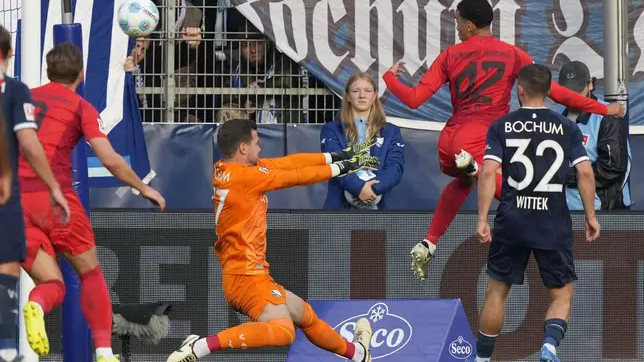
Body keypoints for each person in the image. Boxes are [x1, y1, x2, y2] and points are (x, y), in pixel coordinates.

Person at [382, 0, 624, 281]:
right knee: (512, 191)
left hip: (449, 141)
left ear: (470, 25)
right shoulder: (512, 54)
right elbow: (557, 92)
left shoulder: (449, 56)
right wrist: (603, 108)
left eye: (458, 21)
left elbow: (413, 100)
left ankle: (430, 241)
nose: (456, 27)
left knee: (465, 182)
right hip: (481, 137)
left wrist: (388, 78)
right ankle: (484, 179)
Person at [167, 118, 378, 362]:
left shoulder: (228, 169)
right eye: (256, 143)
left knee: (303, 313)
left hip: (246, 274)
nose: (260, 148)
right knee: (284, 332)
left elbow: (287, 163)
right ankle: (200, 346)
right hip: (246, 277)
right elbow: (297, 176)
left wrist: (337, 156)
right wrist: (345, 168)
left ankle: (358, 354)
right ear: (243, 148)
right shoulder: (246, 178)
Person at [18, 43, 166, 362]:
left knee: (51, 282)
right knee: (90, 273)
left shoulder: (23, 100)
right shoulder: (81, 107)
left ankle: (36, 305)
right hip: (57, 202)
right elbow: (110, 159)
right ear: (81, 75)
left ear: (48, 71)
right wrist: (143, 187)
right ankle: (103, 350)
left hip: (16, 206)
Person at [475, 64, 600, 362]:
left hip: (513, 219)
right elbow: (585, 173)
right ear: (549, 93)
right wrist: (590, 215)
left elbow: (488, 172)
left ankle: (481, 360)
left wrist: (481, 218)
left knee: (496, 292)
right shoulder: (567, 127)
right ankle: (549, 346)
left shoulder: (502, 125)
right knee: (561, 294)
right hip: (552, 221)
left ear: (519, 90)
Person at [0, 25, 71, 362]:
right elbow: (29, 143)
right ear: (10, 54)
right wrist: (54, 186)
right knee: (21, 275)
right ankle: (12, 338)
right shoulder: (14, 91)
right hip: (9, 205)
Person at [321, 72, 404, 209]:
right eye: (355, 91)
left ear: (374, 95)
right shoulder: (331, 129)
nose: (362, 95)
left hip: (379, 207)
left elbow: (395, 167)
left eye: (367, 90)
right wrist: (359, 187)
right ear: (347, 96)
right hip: (340, 208)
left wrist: (373, 189)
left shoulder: (391, 131)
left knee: (373, 231)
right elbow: (336, 162)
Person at [558, 61, 631, 210]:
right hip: (565, 211)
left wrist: (568, 176)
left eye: (577, 90)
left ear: (590, 84)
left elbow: (612, 168)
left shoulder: (608, 118)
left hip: (601, 210)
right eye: (567, 91)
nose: (572, 96)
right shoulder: (558, 120)